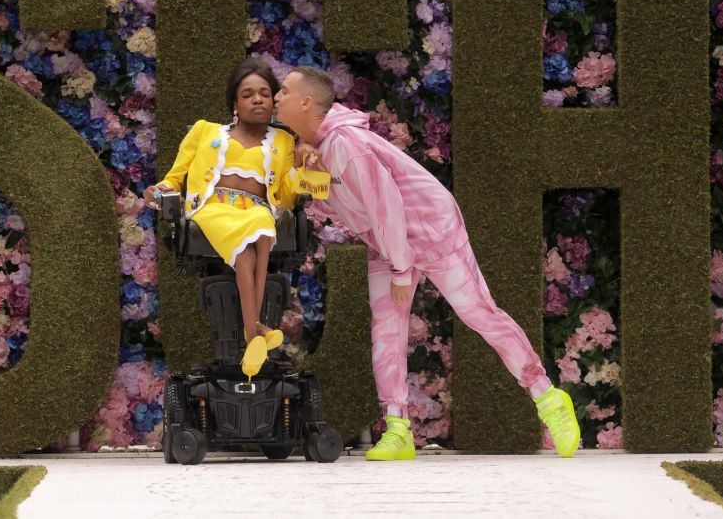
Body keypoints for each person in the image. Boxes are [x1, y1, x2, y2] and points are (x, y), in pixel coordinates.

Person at [273, 65, 581, 460]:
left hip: (429, 230)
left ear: (305, 102)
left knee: (478, 312)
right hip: (387, 243)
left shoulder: (348, 144)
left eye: (283, 90)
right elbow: (332, 196)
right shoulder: (321, 145)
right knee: (386, 329)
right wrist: (300, 170)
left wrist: (402, 269)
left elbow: (386, 206)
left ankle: (550, 400)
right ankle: (398, 428)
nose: (276, 97)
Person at [144, 57, 298, 378]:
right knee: (245, 251)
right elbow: (174, 178)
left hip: (256, 208)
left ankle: (254, 333)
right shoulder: (205, 131)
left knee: (260, 230)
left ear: (273, 101)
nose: (257, 99)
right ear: (235, 103)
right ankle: (254, 332)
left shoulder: (284, 141)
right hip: (214, 206)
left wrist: (309, 173)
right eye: (248, 94)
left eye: (265, 93)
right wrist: (158, 190)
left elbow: (286, 193)